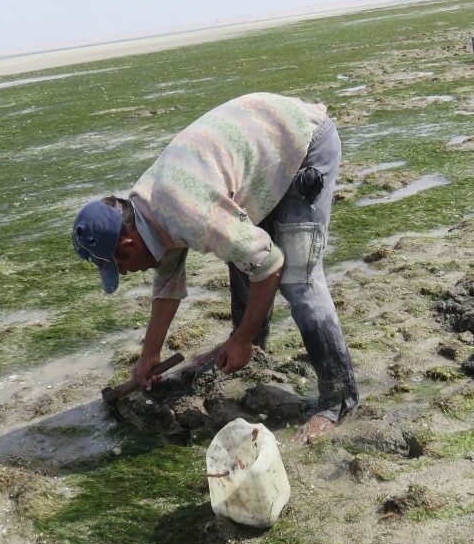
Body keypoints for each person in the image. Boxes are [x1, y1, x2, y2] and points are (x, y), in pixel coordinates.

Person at [72, 92, 358, 443]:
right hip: (259, 146)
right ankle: (252, 350)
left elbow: (270, 264)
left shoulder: (190, 213)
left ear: (129, 244)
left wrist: (240, 339)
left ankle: (338, 400)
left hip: (303, 143)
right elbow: (167, 284)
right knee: (240, 251)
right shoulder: (145, 210)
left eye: (120, 266)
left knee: (299, 278)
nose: (126, 274)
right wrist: (150, 354)